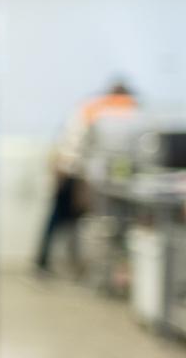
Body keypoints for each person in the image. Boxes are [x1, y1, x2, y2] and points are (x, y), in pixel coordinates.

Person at [36, 80, 138, 275]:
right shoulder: (96, 112)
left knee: (71, 220)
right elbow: (76, 149)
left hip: (76, 172)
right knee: (59, 218)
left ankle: (67, 263)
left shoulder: (96, 110)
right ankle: (43, 262)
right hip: (70, 172)